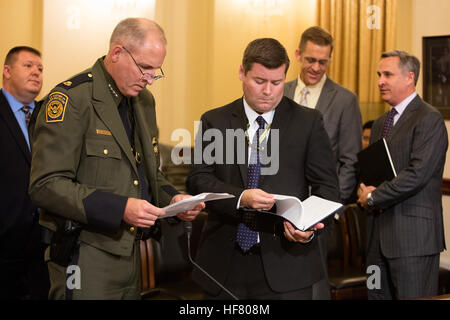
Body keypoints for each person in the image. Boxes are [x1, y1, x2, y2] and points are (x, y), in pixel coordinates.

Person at [29, 18, 204, 300]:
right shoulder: (72, 99)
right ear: (117, 53)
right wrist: (120, 207)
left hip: (131, 253)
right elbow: (45, 185)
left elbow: (148, 174)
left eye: (156, 71)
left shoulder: (144, 102)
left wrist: (173, 198)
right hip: (85, 254)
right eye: (144, 68)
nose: (149, 79)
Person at [186, 38, 340, 299]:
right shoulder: (215, 120)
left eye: (277, 82)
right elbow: (199, 180)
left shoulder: (308, 122)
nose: (268, 91)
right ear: (241, 73)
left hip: (288, 263)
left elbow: (328, 188)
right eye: (259, 81)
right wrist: (241, 198)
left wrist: (308, 224)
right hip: (224, 264)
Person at [357, 50, 448, 299]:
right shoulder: (379, 123)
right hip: (376, 240)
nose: (380, 81)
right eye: (378, 74)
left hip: (413, 241)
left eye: (387, 74)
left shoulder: (429, 119)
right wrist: (363, 189)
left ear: (410, 77)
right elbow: (374, 172)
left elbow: (417, 174)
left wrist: (374, 197)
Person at [284, 26, 362, 299]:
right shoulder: (279, 91)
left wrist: (329, 208)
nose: (316, 67)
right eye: (310, 60)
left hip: (320, 213)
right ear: (298, 55)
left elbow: (350, 161)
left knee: (315, 286)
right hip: (278, 209)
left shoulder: (345, 100)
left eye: (323, 61)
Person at [0, 46, 49, 299]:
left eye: (40, 69)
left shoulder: (48, 116)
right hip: (5, 241)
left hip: (42, 242)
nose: (36, 73)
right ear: (7, 71)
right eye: (28, 66)